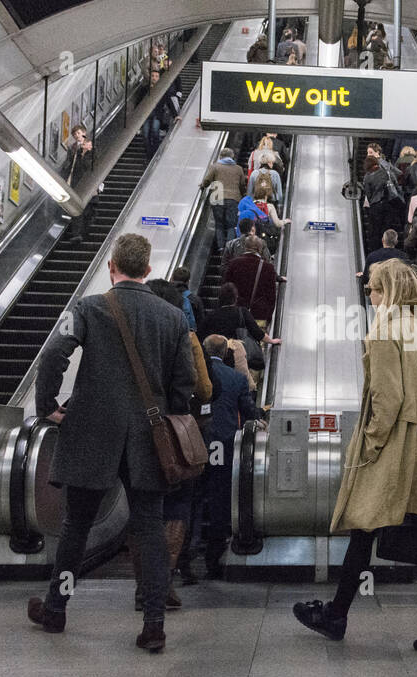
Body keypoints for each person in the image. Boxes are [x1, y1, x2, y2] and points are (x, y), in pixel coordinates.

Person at [28, 233, 196, 654]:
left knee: (76, 527)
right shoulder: (173, 317)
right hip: (149, 436)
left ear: (112, 266)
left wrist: (48, 404)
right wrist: (166, 416)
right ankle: (153, 623)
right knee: (150, 528)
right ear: (148, 269)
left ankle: (56, 608)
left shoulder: (89, 307)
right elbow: (185, 383)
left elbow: (53, 355)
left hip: (91, 431)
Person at [293, 259, 417, 655]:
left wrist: (369, 445)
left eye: (373, 289)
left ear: (386, 291)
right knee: (414, 533)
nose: (369, 297)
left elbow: (386, 401)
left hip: (395, 447)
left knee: (367, 522)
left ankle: (341, 616)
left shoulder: (385, 333)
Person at [143, 279, 212, 610]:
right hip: (173, 432)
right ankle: (164, 582)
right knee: (177, 506)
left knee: (143, 508)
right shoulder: (186, 336)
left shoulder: (132, 334)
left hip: (136, 431)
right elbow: (204, 388)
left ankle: (144, 585)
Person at [199, 334, 264, 578]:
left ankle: (182, 556)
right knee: (218, 500)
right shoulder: (236, 378)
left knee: (191, 499)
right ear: (227, 354)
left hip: (195, 443)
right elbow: (247, 410)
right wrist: (261, 416)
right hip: (222, 443)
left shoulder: (196, 373)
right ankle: (212, 560)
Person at [198, 282, 280, 351]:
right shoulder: (242, 312)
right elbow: (257, 332)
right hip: (237, 352)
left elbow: (201, 335)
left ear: (220, 298)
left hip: (218, 354)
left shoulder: (212, 315)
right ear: (236, 297)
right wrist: (272, 341)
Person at [200, 147, 247, 251]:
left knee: (219, 224)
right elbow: (242, 185)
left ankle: (221, 246)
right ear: (232, 157)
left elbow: (207, 180)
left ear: (221, 156)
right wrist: (244, 194)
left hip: (217, 198)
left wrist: (203, 186)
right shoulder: (238, 168)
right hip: (233, 199)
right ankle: (229, 248)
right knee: (231, 224)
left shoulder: (215, 167)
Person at [223, 237, 279, 324]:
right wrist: (268, 318)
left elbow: (226, 289)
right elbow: (271, 296)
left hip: (236, 314)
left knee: (235, 337)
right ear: (260, 249)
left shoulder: (233, 264)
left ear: (245, 247)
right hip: (259, 315)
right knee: (257, 337)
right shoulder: (268, 268)